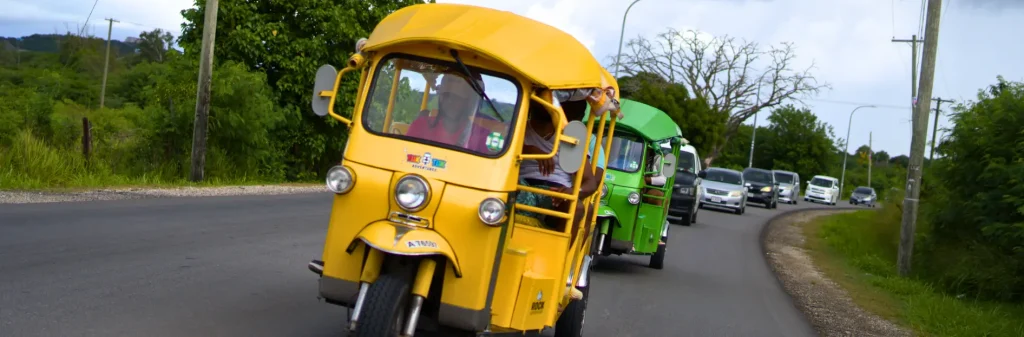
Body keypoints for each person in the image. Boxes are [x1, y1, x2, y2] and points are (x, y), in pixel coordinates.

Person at [405, 73, 492, 153]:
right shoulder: (421, 125)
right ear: (440, 98)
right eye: (446, 95)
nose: (450, 101)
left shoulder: (482, 135)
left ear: (469, 103)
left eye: (457, 98)